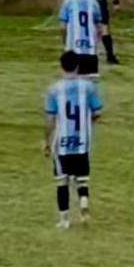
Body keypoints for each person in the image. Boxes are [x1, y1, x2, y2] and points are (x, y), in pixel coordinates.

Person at [44, 51, 103, 230]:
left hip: (62, 144)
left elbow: (50, 121)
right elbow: (97, 112)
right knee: (82, 179)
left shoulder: (53, 90)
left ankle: (64, 220)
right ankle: (84, 204)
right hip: (82, 141)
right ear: (78, 66)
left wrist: (46, 142)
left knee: (62, 181)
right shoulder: (89, 87)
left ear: (61, 67)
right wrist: (88, 123)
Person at [59, 0, 103, 78]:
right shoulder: (93, 2)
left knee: (72, 82)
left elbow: (62, 27)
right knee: (91, 85)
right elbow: (99, 28)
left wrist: (64, 42)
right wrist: (96, 44)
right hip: (90, 50)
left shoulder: (68, 2)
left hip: (73, 50)